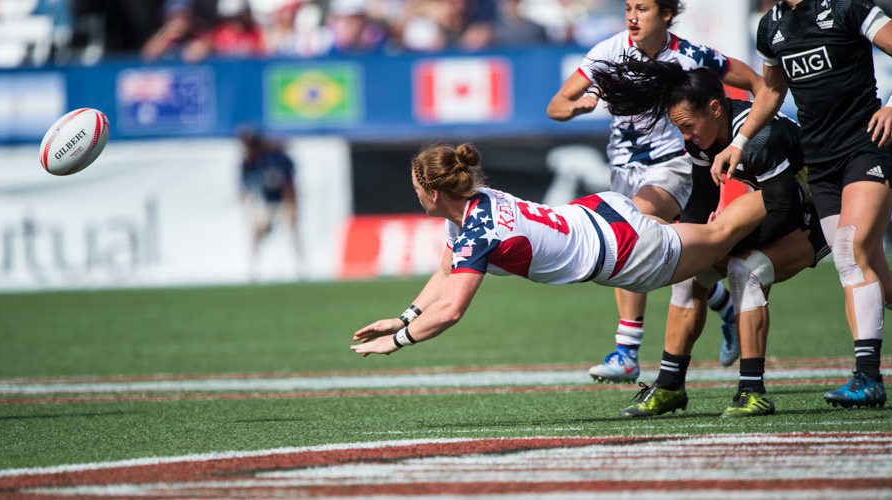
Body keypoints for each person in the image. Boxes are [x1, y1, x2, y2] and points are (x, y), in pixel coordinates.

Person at [711, 0, 892, 409]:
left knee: (852, 256)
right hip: (820, 164)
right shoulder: (770, 26)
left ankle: (868, 378)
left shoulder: (846, 6)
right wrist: (738, 143)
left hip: (869, 147)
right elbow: (772, 92)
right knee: (877, 284)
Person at [547, 0, 784, 383]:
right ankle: (722, 304)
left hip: (673, 165)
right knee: (651, 249)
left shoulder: (689, 56)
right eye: (628, 7)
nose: (632, 16)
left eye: (642, 7)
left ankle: (626, 351)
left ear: (667, 14)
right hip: (623, 169)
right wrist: (578, 106)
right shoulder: (607, 52)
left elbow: (760, 84)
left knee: (626, 230)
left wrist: (743, 138)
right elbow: (555, 106)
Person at [351, 143, 771, 358]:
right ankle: (726, 302)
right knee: (711, 250)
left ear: (435, 191)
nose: (415, 195)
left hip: (625, 250)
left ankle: (785, 189)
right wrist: (403, 318)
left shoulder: (478, 230)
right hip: (603, 210)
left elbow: (451, 310)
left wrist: (398, 342)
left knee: (722, 235)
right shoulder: (469, 203)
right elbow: (445, 274)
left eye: (417, 189)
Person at [589, 57, 830, 417]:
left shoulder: (756, 139)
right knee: (691, 272)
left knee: (747, 271)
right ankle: (670, 386)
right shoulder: (704, 139)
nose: (686, 136)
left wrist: (726, 247)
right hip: (785, 203)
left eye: (687, 125)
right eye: (679, 128)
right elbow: (700, 201)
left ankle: (752, 392)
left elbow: (787, 211)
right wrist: (691, 246)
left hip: (821, 214)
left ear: (715, 108)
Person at [237, 127, 300, 281]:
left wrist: (291, 206)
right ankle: (252, 271)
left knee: (292, 232)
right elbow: (245, 190)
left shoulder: (272, 159)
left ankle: (300, 268)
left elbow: (287, 184)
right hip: (265, 203)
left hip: (282, 201)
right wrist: (249, 211)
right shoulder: (247, 164)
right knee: (256, 234)